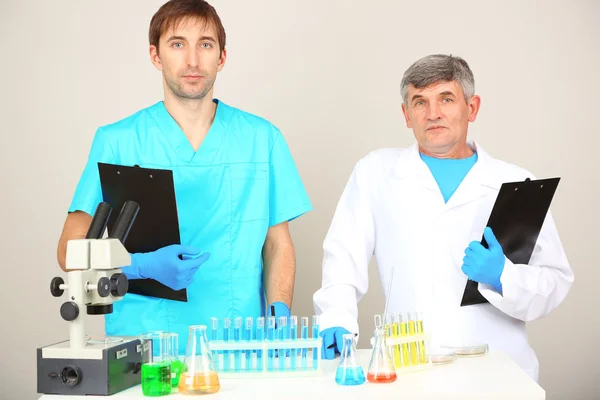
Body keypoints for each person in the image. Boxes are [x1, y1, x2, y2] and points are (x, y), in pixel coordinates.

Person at [56, 0, 311, 353]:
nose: (192, 60)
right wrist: (140, 265)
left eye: (205, 44)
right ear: (155, 55)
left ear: (221, 57)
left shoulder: (261, 139)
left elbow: (277, 244)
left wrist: (279, 311)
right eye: (177, 44)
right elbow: (70, 251)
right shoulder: (118, 141)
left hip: (239, 346)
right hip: (145, 350)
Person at [312, 54, 573, 382]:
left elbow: (555, 281)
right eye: (419, 102)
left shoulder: (516, 184)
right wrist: (337, 315)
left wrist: (502, 276)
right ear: (406, 115)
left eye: (446, 99)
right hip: (408, 370)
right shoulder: (375, 173)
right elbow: (342, 258)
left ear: (472, 107)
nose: (432, 113)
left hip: (499, 372)